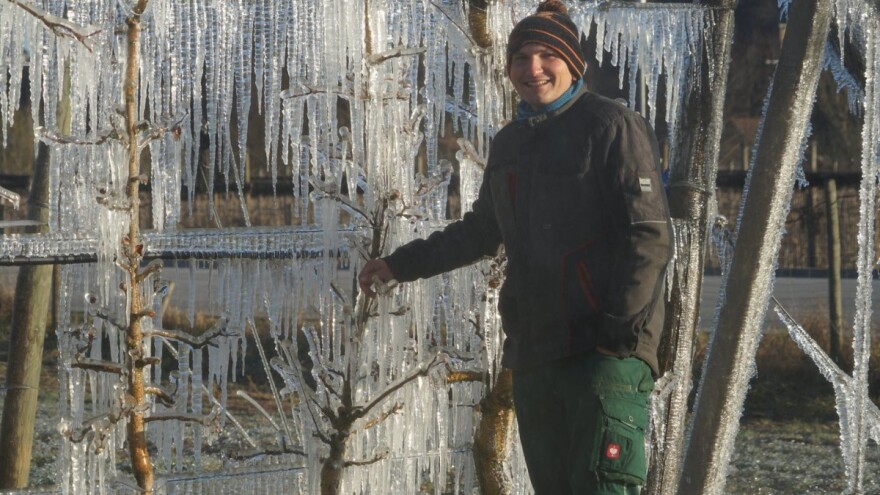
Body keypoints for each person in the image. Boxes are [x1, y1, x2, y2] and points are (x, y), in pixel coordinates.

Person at [358, 1, 672, 493]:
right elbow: (483, 230)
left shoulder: (612, 126)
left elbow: (648, 235)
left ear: (574, 63)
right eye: (521, 57)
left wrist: (618, 337)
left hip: (602, 354)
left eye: (548, 54)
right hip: (535, 354)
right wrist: (399, 265)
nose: (533, 68)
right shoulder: (511, 144)